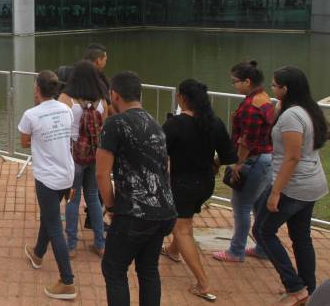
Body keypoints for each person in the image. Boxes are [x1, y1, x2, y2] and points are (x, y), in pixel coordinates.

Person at [96, 71, 177, 306]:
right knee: (148, 269)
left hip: (135, 213)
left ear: (115, 95)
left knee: (114, 269)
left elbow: (102, 173)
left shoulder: (115, 124)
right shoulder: (155, 123)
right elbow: (165, 167)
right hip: (164, 211)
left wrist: (111, 206)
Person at [252, 67, 328, 305]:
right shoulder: (308, 109)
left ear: (285, 89)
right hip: (310, 183)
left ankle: (295, 287)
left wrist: (276, 192)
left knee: (263, 231)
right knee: (301, 236)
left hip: (293, 185)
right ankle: (308, 289)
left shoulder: (292, 116)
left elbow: (292, 157)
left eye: (275, 86)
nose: (272, 90)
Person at [160, 79, 236, 302]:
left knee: (182, 229)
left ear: (182, 97)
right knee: (185, 221)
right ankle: (173, 251)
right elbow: (229, 156)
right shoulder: (215, 123)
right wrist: (212, 162)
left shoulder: (174, 125)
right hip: (205, 184)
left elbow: (160, 155)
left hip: (182, 184)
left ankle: (202, 283)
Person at [20, 71, 77, 300]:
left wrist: (41, 136)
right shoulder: (67, 109)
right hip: (67, 175)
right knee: (49, 215)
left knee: (54, 226)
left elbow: (24, 142)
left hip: (47, 179)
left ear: (37, 89)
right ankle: (37, 254)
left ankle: (67, 281)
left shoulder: (31, 115)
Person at [213, 60, 275, 263]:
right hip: (266, 159)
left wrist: (238, 162)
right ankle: (262, 248)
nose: (234, 85)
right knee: (257, 205)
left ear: (247, 81)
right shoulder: (264, 98)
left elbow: (247, 139)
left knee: (241, 207)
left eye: (235, 81)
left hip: (253, 160)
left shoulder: (250, 106)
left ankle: (236, 251)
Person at [59, 60, 107, 258]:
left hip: (74, 155)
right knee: (93, 197)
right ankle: (100, 243)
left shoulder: (66, 99)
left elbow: (60, 127)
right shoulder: (102, 102)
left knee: (72, 197)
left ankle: (71, 246)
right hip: (95, 155)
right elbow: (103, 127)